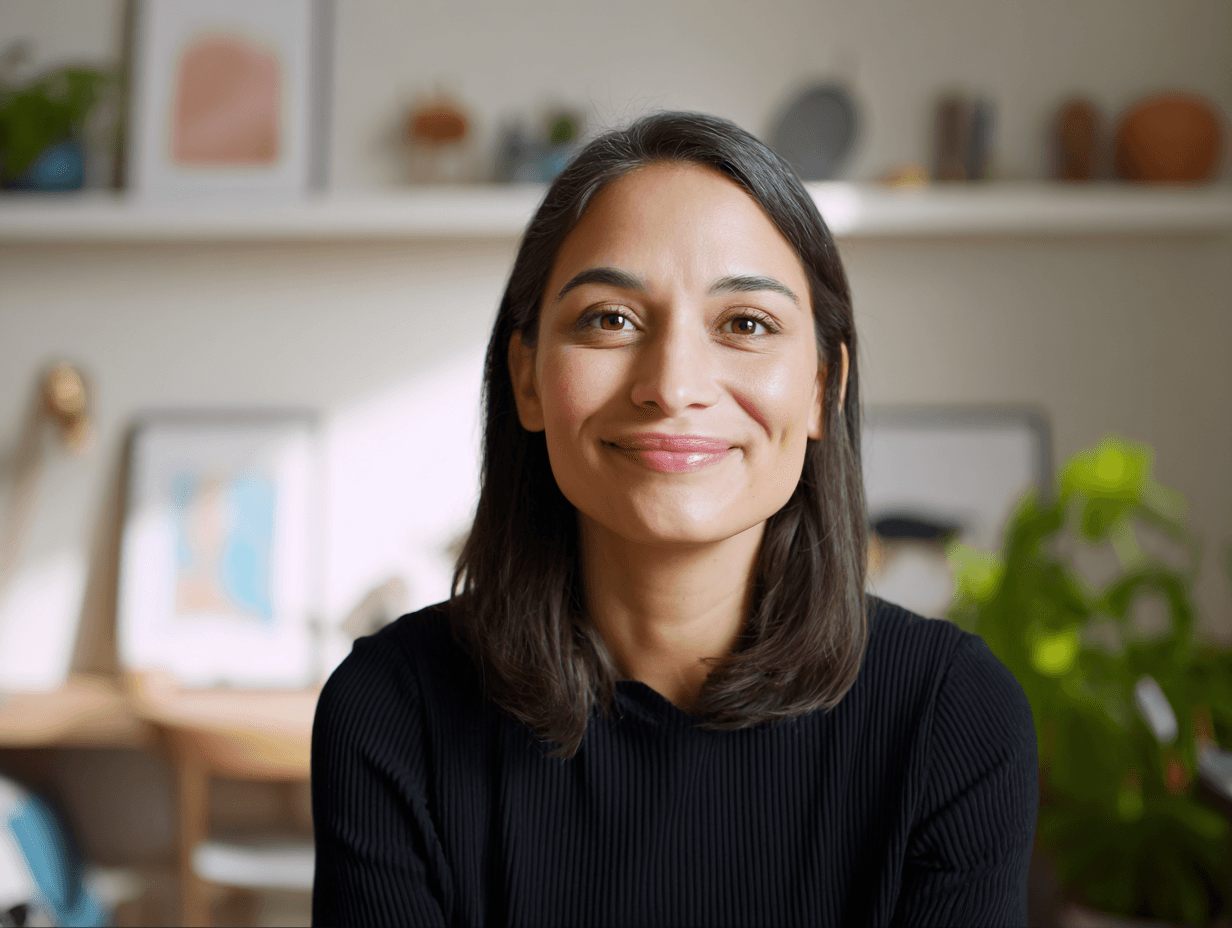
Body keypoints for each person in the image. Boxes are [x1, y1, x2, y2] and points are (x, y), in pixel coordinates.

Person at [311, 111, 1038, 927]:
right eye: (610, 319)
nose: (673, 383)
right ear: (526, 379)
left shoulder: (952, 718)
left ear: (820, 390)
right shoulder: (390, 710)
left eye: (746, 325)